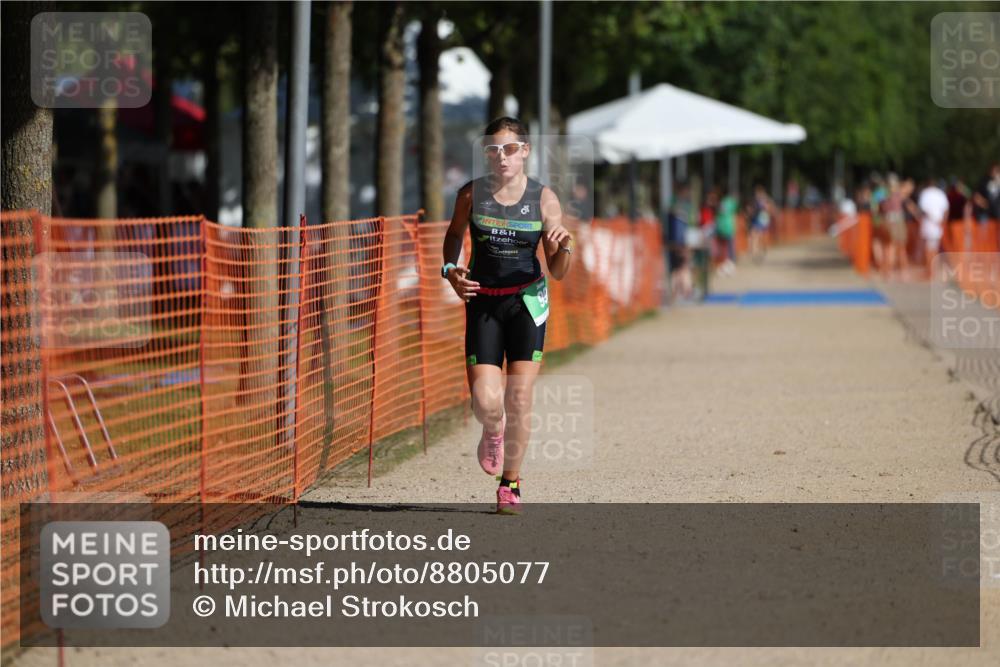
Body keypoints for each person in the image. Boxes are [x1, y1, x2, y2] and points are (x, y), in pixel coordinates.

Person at [441, 117, 574, 515]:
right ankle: (492, 430)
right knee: (486, 402)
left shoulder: (544, 199)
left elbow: (559, 270)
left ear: (525, 152)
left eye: (510, 149)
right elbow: (452, 236)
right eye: (493, 150)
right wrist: (451, 271)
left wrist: (564, 245)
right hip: (483, 301)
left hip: (527, 303)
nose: (502, 157)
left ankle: (510, 483)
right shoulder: (470, 195)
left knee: (518, 396)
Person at [917, 176, 949, 277]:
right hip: (938, 225)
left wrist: (934, 219)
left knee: (928, 248)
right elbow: (946, 209)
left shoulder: (925, 193)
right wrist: (943, 222)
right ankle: (932, 269)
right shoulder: (941, 194)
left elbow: (924, 209)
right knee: (934, 248)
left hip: (929, 224)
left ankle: (929, 271)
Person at [747, 185, 774, 263]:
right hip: (756, 220)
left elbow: (769, 208)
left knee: (760, 236)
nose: (757, 194)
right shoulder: (755, 200)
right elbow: (752, 209)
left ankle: (761, 250)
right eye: (756, 193)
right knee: (754, 235)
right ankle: (755, 251)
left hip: (762, 220)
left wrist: (766, 208)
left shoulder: (765, 200)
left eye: (758, 193)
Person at [715, 189, 738, 275]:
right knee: (730, 248)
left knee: (723, 248)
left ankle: (725, 265)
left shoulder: (722, 202)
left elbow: (719, 213)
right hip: (728, 228)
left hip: (721, 228)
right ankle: (729, 265)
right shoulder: (732, 203)